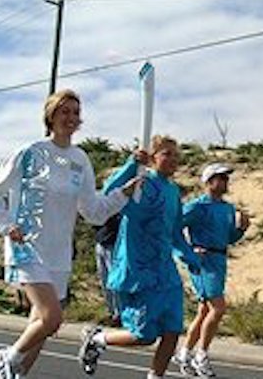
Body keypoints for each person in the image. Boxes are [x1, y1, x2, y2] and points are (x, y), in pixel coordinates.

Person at [0, 89, 137, 379]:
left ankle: (15, 374)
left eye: (76, 112)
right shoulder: (30, 152)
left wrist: (123, 194)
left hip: (58, 251)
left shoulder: (80, 159)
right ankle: (10, 355)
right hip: (25, 245)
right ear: (50, 116)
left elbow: (92, 210)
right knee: (52, 319)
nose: (71, 117)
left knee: (40, 323)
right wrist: (5, 225)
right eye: (64, 111)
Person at [78, 136, 202, 379]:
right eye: (167, 154)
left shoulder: (173, 191)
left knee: (172, 329)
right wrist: (131, 165)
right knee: (144, 335)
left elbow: (175, 231)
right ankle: (97, 339)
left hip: (165, 270)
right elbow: (107, 192)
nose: (173, 159)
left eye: (176, 155)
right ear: (154, 157)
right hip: (138, 269)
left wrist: (189, 257)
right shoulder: (140, 182)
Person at [174, 163, 251, 377]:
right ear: (208, 181)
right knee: (218, 308)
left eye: (226, 178)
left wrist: (241, 230)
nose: (225, 181)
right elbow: (173, 228)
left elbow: (228, 238)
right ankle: (202, 355)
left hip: (219, 259)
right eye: (221, 177)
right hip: (204, 261)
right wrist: (187, 252)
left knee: (204, 311)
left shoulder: (227, 208)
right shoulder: (198, 206)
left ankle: (185, 352)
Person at [94, 212, 122, 326]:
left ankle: (118, 313)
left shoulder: (119, 203)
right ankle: (111, 311)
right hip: (101, 242)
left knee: (114, 280)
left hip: (114, 244)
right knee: (104, 280)